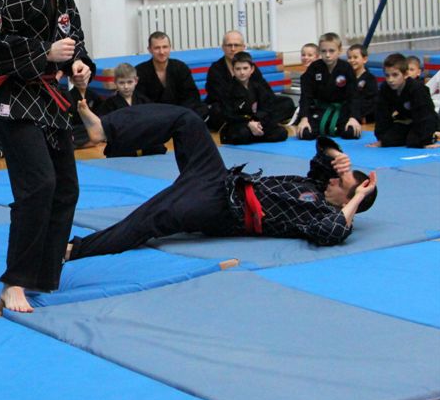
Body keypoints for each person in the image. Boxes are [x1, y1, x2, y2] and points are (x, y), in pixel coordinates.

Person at [67, 100, 377, 261]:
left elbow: (332, 232)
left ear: (348, 199)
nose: (333, 180)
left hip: (219, 208)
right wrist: (336, 154)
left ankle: (72, 250)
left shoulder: (322, 214)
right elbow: (321, 154)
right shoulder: (318, 185)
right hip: (219, 178)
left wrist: (358, 197)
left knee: (149, 219)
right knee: (186, 120)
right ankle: (105, 129)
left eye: (341, 182)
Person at [0, 0, 91, 313]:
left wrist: (78, 64)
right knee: (38, 186)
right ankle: (15, 281)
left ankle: (43, 273)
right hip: (15, 98)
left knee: (66, 187)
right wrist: (44, 52)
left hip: (51, 99)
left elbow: (73, 33)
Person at [205, 30, 294, 129]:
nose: (233, 49)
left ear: (243, 47)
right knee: (217, 111)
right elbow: (220, 98)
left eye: (236, 45)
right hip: (232, 109)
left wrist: (259, 108)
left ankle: (254, 123)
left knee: (287, 103)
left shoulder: (250, 67)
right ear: (223, 47)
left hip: (253, 108)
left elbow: (266, 92)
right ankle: (258, 123)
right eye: (229, 45)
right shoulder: (216, 69)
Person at [295, 32, 361, 140]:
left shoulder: (346, 68)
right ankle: (329, 128)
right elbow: (306, 96)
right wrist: (304, 118)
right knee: (305, 133)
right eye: (323, 51)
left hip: (341, 111)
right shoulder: (314, 68)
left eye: (331, 51)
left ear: (340, 50)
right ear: (319, 51)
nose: (327, 55)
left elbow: (354, 96)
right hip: (320, 109)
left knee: (351, 132)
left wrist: (354, 117)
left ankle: (335, 127)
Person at [368, 53, 439, 148]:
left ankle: (433, 136)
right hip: (406, 121)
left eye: (395, 75)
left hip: (425, 121)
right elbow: (381, 114)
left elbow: (427, 116)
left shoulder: (417, 89)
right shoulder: (385, 88)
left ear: (405, 74)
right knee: (386, 140)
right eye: (387, 75)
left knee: (414, 142)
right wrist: (382, 137)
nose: (390, 80)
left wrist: (425, 140)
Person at [135, 31, 208, 120]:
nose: (161, 52)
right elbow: (141, 100)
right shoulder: (140, 71)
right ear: (149, 49)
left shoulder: (181, 67)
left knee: (202, 109)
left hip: (180, 114)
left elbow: (191, 96)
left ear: (170, 48)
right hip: (154, 117)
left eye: (165, 47)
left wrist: (178, 114)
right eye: (157, 48)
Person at [218, 52, 287, 145]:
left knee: (281, 132)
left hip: (257, 121)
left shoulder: (257, 86)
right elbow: (228, 115)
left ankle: (256, 135)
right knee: (242, 134)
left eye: (245, 68)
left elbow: (266, 108)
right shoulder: (227, 89)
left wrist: (256, 121)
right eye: (238, 69)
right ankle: (256, 136)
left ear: (252, 69)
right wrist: (248, 123)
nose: (242, 72)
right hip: (239, 125)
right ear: (233, 70)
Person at [96, 62, 164, 156]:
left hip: (144, 140)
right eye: (121, 83)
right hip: (121, 142)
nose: (126, 86)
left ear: (136, 81)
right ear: (115, 82)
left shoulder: (143, 100)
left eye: (129, 82)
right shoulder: (109, 104)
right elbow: (103, 125)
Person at [66, 74, 102, 148]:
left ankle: (81, 143)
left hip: (90, 128)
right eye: (78, 79)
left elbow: (100, 116)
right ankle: (83, 143)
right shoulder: (67, 96)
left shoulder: (94, 96)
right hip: (76, 130)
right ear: (71, 80)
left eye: (84, 78)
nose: (82, 81)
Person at [346, 44, 378, 124]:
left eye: (355, 57)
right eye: (349, 58)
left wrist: (357, 115)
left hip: (362, 115)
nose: (352, 60)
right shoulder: (346, 77)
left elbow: (372, 101)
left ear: (364, 59)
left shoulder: (370, 79)